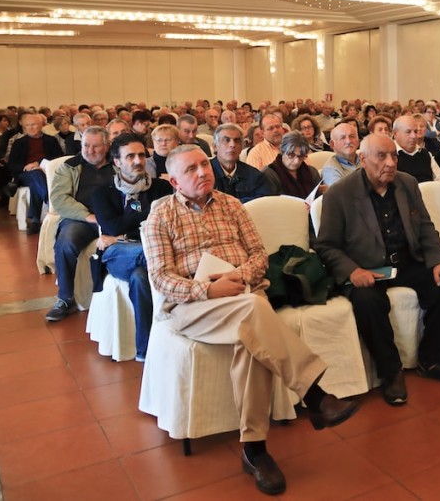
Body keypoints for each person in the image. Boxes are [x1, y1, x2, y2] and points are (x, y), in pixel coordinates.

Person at [143, 145, 358, 495]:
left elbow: (260, 255)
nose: (202, 172)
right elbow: (161, 278)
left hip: (243, 292)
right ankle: (314, 395)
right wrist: (207, 290)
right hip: (194, 307)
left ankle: (255, 451)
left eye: (204, 164)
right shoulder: (161, 216)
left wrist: (240, 278)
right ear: (173, 181)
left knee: (252, 337)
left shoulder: (231, 205)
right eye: (191, 169)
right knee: (255, 313)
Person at [315, 134, 440, 406]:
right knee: (367, 302)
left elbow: (425, 229)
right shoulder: (339, 194)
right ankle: (390, 372)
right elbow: (326, 246)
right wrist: (352, 271)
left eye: (394, 156)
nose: (390, 163)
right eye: (381, 156)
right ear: (362, 159)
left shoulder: (407, 184)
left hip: (406, 261)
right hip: (367, 268)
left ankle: (433, 360)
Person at [91, 133, 172, 360]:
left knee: (140, 277)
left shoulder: (161, 187)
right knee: (153, 253)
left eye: (141, 155)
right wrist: (149, 215)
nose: (137, 161)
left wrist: (122, 232)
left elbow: (166, 223)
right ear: (116, 162)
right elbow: (111, 226)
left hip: (146, 250)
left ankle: (145, 350)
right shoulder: (102, 193)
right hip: (118, 253)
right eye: (130, 157)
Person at [46, 126, 116, 320]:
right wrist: (88, 216)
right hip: (82, 219)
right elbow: (60, 198)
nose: (90, 151)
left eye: (96, 146)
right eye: (86, 145)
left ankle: (113, 297)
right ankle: (65, 298)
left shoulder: (118, 164)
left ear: (107, 146)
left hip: (114, 219)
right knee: (66, 241)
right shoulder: (69, 167)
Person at [7, 112, 65, 233]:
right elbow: (11, 165)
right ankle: (50, 202)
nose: (30, 128)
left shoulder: (51, 140)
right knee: (35, 175)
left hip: (46, 172)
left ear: (41, 125)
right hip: (25, 175)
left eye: (33, 124)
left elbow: (58, 159)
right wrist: (26, 166)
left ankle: (35, 220)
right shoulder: (19, 143)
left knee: (36, 183)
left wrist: (40, 164)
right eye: (27, 125)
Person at [211, 124, 271, 202]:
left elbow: (263, 202)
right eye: (226, 140)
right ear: (215, 146)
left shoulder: (254, 175)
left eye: (237, 141)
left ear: (242, 147)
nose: (232, 145)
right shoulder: (203, 174)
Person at [263, 131, 321, 199]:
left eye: (301, 156)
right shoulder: (268, 174)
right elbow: (270, 204)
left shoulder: (312, 172)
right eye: (291, 155)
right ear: (282, 151)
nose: (296, 161)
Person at [392, 114, 440, 183]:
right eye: (408, 132)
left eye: (415, 131)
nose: (414, 136)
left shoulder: (426, 154)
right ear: (395, 133)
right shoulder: (390, 156)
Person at [321, 122, 362, 187]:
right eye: (342, 138)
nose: (348, 141)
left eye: (352, 136)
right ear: (332, 144)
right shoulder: (330, 169)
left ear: (358, 141)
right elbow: (341, 195)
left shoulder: (367, 160)